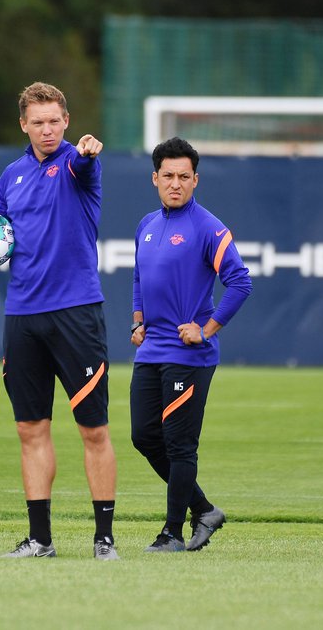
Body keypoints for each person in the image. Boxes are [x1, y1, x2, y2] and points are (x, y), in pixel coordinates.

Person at [0, 82, 118, 560]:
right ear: (23, 124)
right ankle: (40, 540)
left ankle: (104, 539)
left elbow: (85, 161)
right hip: (22, 316)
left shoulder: (79, 165)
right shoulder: (10, 177)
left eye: (54, 121)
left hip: (76, 314)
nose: (47, 129)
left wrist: (86, 151)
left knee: (94, 429)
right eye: (37, 122)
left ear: (66, 121)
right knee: (30, 429)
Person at [129, 136, 252, 553]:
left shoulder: (209, 228)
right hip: (151, 350)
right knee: (144, 437)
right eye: (168, 176)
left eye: (184, 176)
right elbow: (139, 278)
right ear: (155, 179)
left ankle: (172, 533)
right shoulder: (147, 225)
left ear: (196, 180)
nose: (176, 183)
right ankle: (204, 509)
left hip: (189, 355)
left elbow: (240, 282)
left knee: (180, 444)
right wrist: (138, 319)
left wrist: (208, 328)